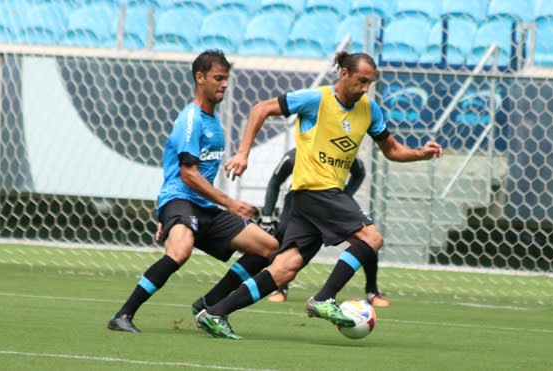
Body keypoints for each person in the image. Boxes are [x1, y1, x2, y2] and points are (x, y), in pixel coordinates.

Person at [194, 51, 443, 339]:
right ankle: (324, 299)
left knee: (285, 268)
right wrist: (242, 152)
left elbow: (392, 150)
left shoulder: (369, 109)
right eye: (361, 80)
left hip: (310, 199)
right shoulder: (316, 99)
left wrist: (419, 155)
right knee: (372, 237)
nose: (365, 88)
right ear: (344, 73)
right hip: (315, 191)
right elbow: (260, 108)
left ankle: (215, 313)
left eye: (370, 83)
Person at [107, 50, 278, 334]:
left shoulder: (212, 121)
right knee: (180, 251)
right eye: (218, 78)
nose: (224, 84)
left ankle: (209, 304)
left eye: (226, 79)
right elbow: (188, 174)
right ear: (200, 78)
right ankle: (123, 315)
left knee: (267, 247)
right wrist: (229, 203)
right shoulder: (191, 119)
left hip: (204, 207)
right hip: (180, 199)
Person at [258, 148, 389, 307]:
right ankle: (280, 289)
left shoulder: (344, 152)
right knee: (283, 233)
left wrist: (346, 196)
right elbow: (275, 182)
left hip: (333, 199)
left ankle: (372, 290)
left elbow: (359, 173)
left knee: (368, 236)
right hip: (300, 199)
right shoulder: (294, 156)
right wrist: (266, 216)